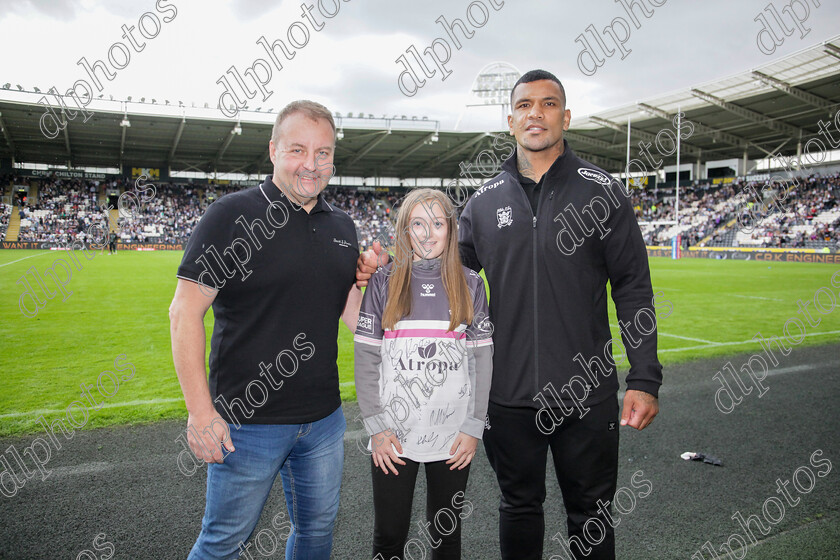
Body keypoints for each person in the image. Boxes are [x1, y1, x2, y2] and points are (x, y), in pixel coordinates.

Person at [357, 70, 662, 560]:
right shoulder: (483, 202)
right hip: (510, 396)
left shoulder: (603, 192)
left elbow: (633, 287)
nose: (534, 114)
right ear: (510, 119)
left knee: (592, 516)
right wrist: (388, 268)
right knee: (519, 507)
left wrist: (644, 377)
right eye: (524, 105)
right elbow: (442, 271)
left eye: (547, 104)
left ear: (565, 116)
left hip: (587, 392)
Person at [169, 100, 362, 560]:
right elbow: (184, 312)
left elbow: (352, 312)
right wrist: (200, 412)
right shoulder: (230, 215)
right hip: (246, 423)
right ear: (273, 150)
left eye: (323, 153)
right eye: (298, 150)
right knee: (222, 545)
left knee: (316, 533)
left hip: (324, 421)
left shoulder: (342, 226)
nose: (311, 164)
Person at [354, 188, 493, 560]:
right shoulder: (383, 282)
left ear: (451, 231)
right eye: (417, 223)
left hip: (453, 437)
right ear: (404, 230)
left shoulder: (472, 285)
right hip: (393, 437)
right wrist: (377, 428)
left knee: (446, 537)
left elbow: (482, 362)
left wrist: (472, 426)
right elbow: (366, 362)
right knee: (389, 536)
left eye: (437, 224)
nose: (428, 234)